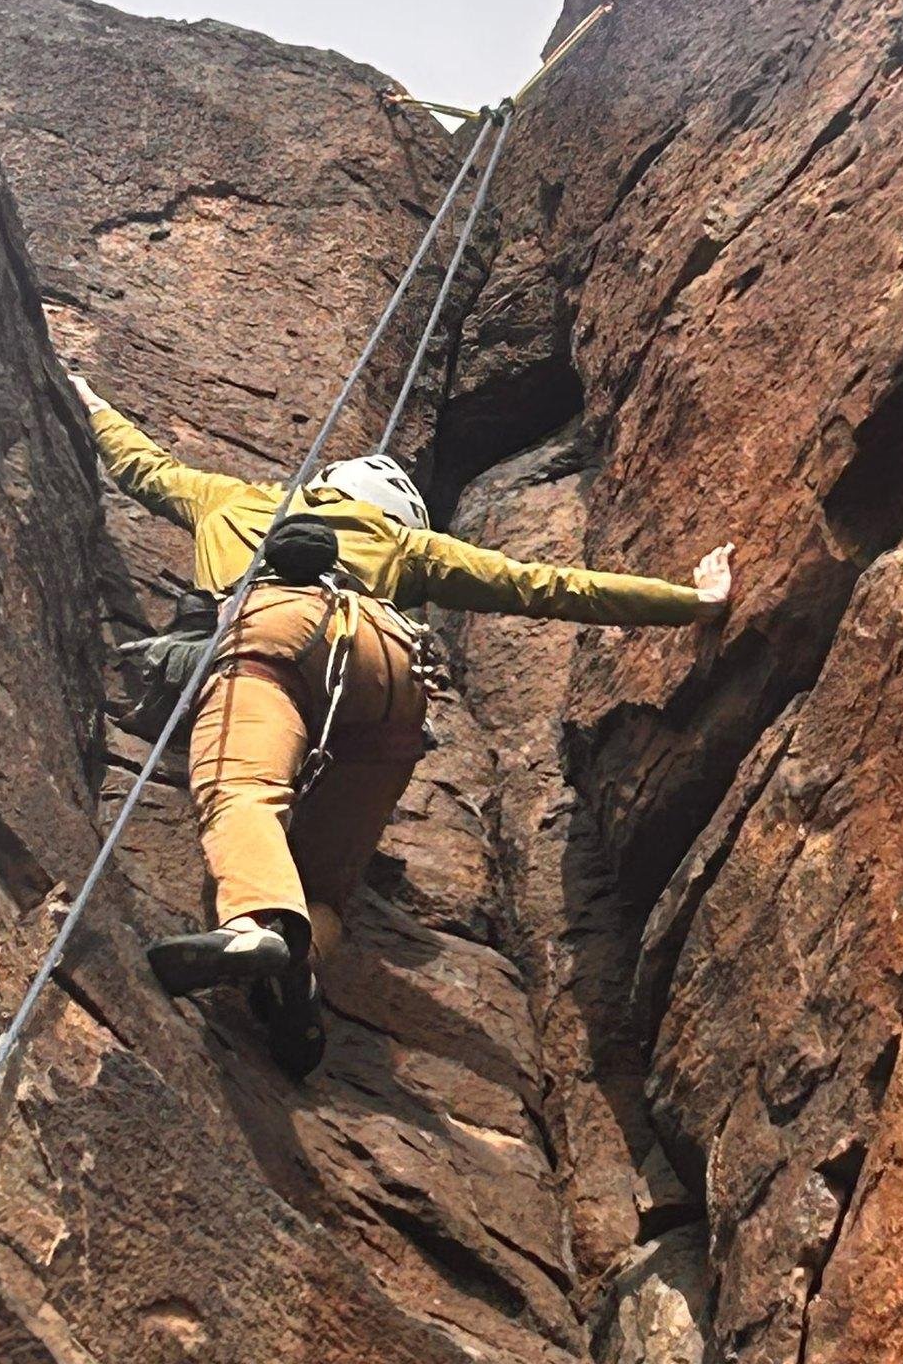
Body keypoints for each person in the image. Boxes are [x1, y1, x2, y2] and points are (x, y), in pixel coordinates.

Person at [67, 371, 734, 1077]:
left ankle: (254, 924)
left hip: (278, 631)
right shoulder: (406, 545)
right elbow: (542, 584)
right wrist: (691, 601)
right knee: (325, 888)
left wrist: (87, 397)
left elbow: (141, 465)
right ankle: (298, 964)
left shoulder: (234, 500)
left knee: (243, 793)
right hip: (393, 671)